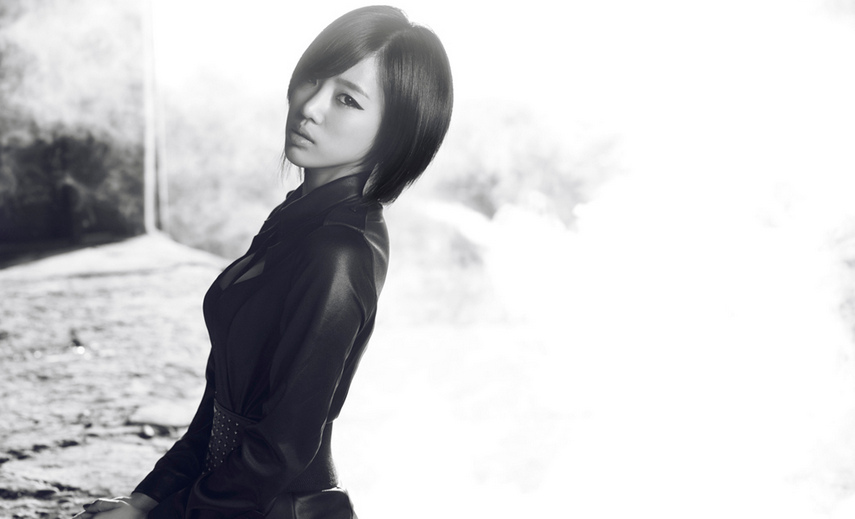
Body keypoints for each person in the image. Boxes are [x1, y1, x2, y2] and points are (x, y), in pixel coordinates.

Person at [73, 5, 452, 518]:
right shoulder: (295, 218)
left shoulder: (339, 251)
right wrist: (146, 499)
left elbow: (283, 444)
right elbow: (223, 402)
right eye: (313, 78)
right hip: (228, 498)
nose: (310, 106)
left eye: (347, 99)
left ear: (397, 131)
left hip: (279, 507)